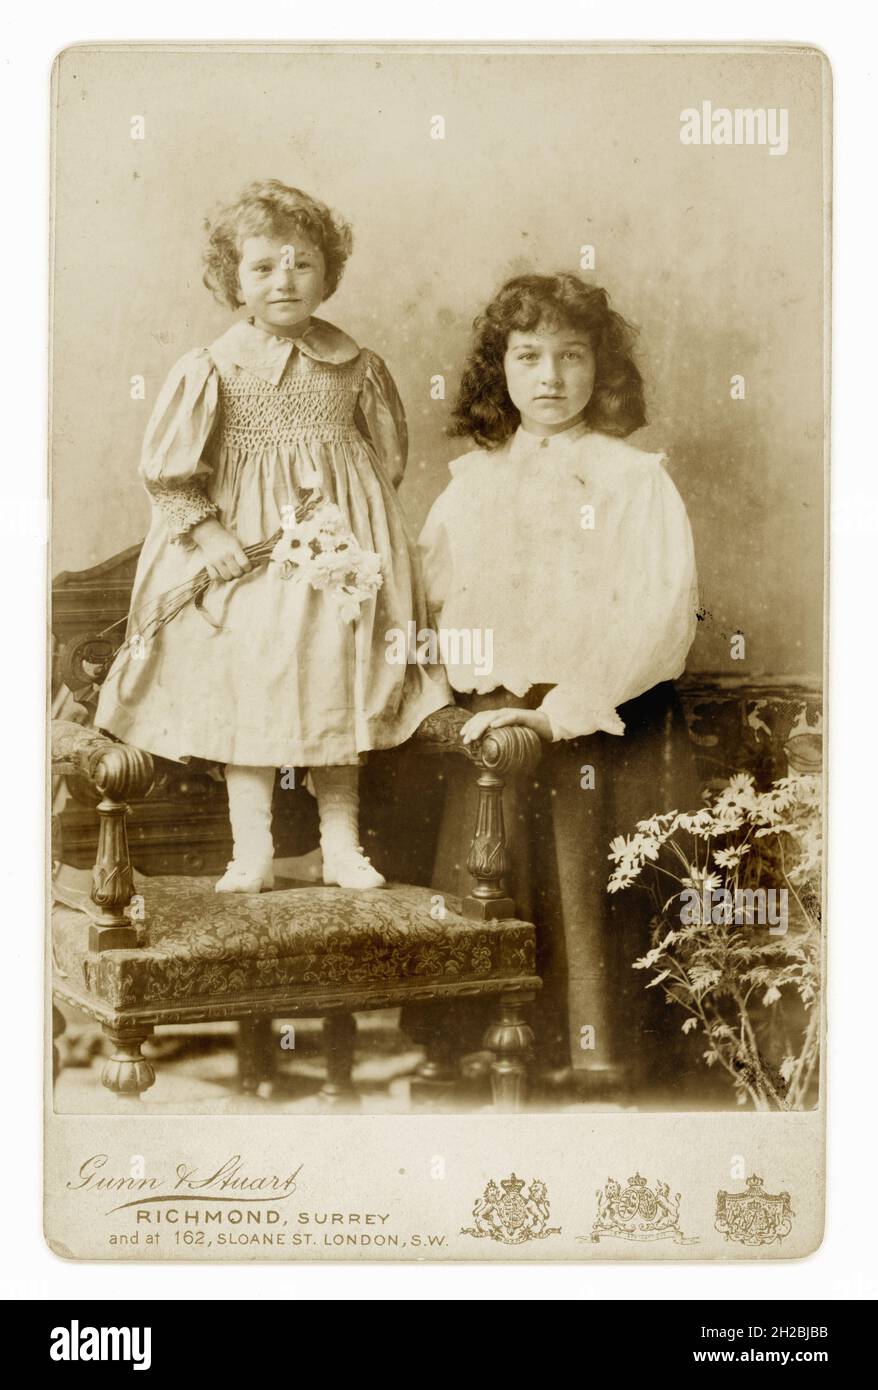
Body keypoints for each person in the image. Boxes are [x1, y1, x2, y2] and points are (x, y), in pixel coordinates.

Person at [96, 179, 450, 894]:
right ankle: (250, 848)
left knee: (338, 676)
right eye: (262, 267)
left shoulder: (356, 365)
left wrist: (359, 528)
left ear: (326, 274)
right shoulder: (213, 367)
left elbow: (385, 460)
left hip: (333, 555)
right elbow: (169, 472)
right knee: (250, 682)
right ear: (234, 278)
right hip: (247, 557)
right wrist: (207, 532)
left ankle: (341, 844)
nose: (283, 280)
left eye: (301, 265)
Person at [416, 272, 700, 1097]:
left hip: (594, 728)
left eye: (571, 357)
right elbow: (433, 604)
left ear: (601, 371)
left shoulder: (632, 479)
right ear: (498, 371)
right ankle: (482, 1058)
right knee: (491, 888)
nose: (550, 377)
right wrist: (450, 699)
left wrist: (554, 716)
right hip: (491, 733)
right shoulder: (471, 484)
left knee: (583, 896)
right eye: (529, 356)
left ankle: (594, 1066)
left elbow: (658, 617)